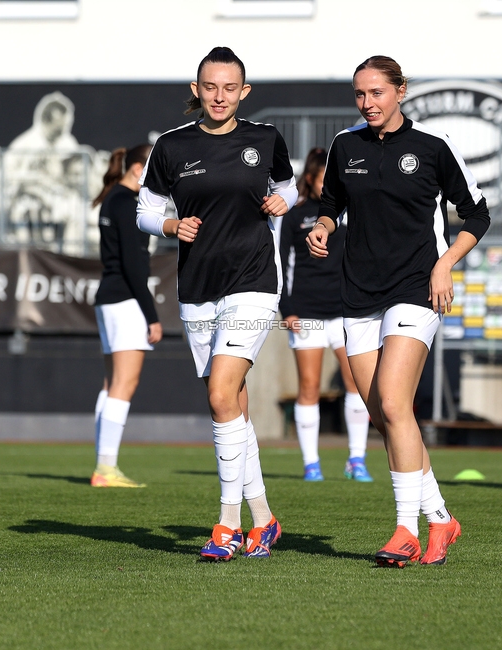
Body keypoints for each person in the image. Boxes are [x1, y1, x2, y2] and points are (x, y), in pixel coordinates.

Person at [307, 56, 487, 567]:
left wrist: (446, 264)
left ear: (401, 92)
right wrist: (324, 227)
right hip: (359, 292)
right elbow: (333, 203)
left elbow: (478, 213)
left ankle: (405, 529)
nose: (367, 104)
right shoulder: (346, 146)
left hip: (416, 287)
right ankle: (441, 519)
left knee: (393, 400)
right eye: (360, 95)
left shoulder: (433, 148)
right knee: (385, 413)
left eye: (378, 93)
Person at [137, 46, 297, 560]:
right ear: (196, 89)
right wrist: (168, 225)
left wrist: (284, 201)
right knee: (232, 406)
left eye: (230, 88)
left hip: (252, 280)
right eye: (211, 87)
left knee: (220, 395)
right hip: (198, 288)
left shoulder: (265, 138)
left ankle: (227, 524)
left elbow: (288, 186)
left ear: (244, 92)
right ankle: (265, 520)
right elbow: (145, 210)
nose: (220, 96)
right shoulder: (171, 146)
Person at [279, 147, 371, 482]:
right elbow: (283, 266)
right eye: (324, 178)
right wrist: (287, 310)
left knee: (356, 385)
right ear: (310, 179)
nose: (331, 183)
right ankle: (311, 464)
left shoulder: (348, 213)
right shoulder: (294, 216)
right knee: (309, 387)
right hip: (306, 314)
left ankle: (356, 460)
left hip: (346, 313)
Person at [91, 144, 162, 488]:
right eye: (152, 166)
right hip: (125, 301)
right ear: (137, 168)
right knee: (124, 384)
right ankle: (106, 468)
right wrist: (152, 316)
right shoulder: (128, 204)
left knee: (111, 385)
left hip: (109, 299)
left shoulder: (112, 199)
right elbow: (135, 266)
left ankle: (103, 465)